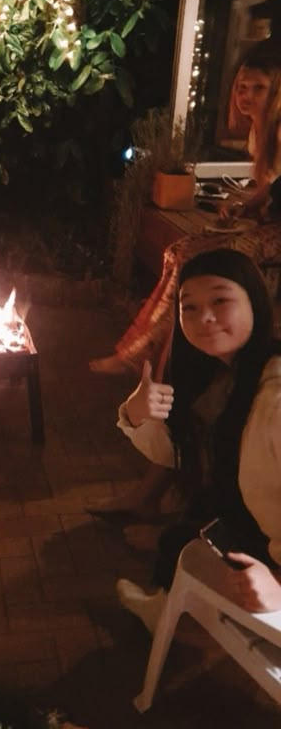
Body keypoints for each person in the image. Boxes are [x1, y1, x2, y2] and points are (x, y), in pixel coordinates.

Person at [90, 40, 281, 378]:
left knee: (194, 261)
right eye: (242, 87)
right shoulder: (258, 130)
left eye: (259, 88)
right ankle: (143, 350)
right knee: (178, 251)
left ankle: (148, 359)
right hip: (266, 223)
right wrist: (243, 207)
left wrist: (258, 213)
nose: (246, 97)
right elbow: (272, 184)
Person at [114, 248, 281, 633]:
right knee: (182, 540)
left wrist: (277, 584)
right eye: (188, 307)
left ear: (254, 301)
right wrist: (138, 413)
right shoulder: (219, 375)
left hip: (269, 552)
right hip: (245, 520)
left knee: (179, 548)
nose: (203, 317)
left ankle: (166, 616)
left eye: (221, 300)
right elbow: (177, 453)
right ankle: (167, 599)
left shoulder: (272, 399)